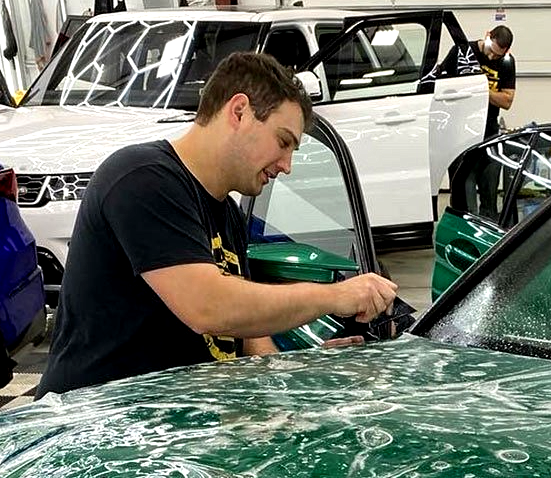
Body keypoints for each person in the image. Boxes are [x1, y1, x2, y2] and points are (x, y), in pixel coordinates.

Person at [38, 51, 397, 397]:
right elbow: (210, 308)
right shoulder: (142, 179)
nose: (286, 165)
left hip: (172, 428)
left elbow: (246, 334)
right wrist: (335, 297)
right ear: (239, 112)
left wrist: (299, 373)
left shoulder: (228, 215)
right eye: (283, 142)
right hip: (94, 428)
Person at [431, 26, 516, 218]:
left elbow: (507, 100)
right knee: (462, 192)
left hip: (489, 132)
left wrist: (480, 87)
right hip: (459, 133)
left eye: (498, 56)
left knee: (489, 191)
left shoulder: (507, 63)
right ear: (487, 36)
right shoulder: (462, 52)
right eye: (491, 52)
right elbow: (440, 83)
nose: (493, 58)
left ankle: (490, 237)